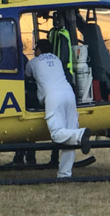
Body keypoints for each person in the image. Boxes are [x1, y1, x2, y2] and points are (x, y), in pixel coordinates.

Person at [24, 38, 90, 179]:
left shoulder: (33, 62)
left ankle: (80, 134)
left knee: (56, 134)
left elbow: (27, 76)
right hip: (69, 95)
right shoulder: (57, 59)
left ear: (39, 50)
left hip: (53, 97)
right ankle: (64, 174)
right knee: (68, 135)